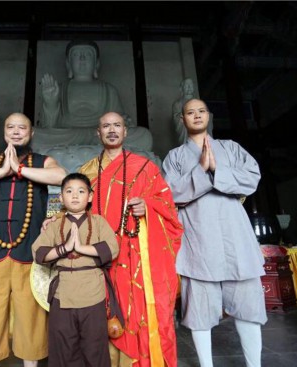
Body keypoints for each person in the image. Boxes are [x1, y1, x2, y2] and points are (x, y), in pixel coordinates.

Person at [0, 112, 66, 367]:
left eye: (22, 128)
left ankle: (31, 364)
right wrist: (2, 170)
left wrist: (19, 169)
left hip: (28, 250)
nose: (16, 132)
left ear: (31, 133)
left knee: (31, 314)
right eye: (11, 127)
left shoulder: (42, 161)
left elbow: (61, 177)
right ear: (4, 132)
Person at [162, 99, 266, 367]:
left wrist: (217, 168)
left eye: (201, 111)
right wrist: (201, 170)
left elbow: (252, 177)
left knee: (248, 309)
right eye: (189, 112)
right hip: (198, 240)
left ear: (209, 116)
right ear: (182, 119)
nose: (196, 116)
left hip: (235, 238)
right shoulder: (174, 157)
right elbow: (169, 193)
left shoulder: (230, 148)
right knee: (199, 312)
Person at [77, 112, 182, 367]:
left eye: (117, 126)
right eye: (106, 126)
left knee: (139, 312)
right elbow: (74, 208)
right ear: (98, 132)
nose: (111, 130)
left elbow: (168, 209)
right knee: (97, 311)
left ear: (125, 132)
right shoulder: (86, 171)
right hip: (97, 254)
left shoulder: (145, 167)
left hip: (135, 253)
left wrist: (148, 206)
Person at [32, 173, 119, 367]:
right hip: (63, 294)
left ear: (89, 196)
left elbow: (112, 248)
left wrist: (79, 248)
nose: (75, 196)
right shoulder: (55, 224)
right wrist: (64, 248)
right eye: (69, 191)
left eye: (81, 191)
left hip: (93, 293)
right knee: (63, 347)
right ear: (61, 197)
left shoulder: (98, 222)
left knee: (94, 347)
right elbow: (38, 252)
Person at [34, 40, 152, 151]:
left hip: (100, 135)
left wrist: (124, 122)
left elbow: (119, 121)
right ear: (68, 64)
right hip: (68, 135)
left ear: (96, 63)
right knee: (33, 136)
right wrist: (51, 103)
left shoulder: (108, 89)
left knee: (143, 135)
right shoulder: (60, 88)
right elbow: (48, 126)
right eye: (76, 55)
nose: (82, 59)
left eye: (88, 55)